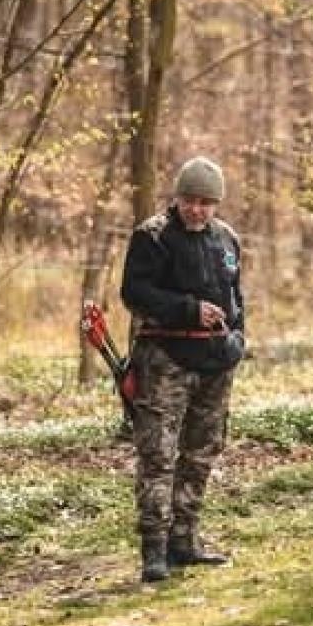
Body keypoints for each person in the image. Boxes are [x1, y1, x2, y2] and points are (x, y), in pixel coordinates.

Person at [119, 157, 246, 583]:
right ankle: (154, 550)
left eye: (207, 202)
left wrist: (238, 340)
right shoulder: (152, 237)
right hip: (165, 360)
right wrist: (188, 310)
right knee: (158, 455)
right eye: (191, 200)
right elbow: (134, 292)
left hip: (216, 363)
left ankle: (185, 541)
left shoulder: (227, 239)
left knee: (202, 452)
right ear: (178, 198)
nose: (198, 210)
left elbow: (236, 299)